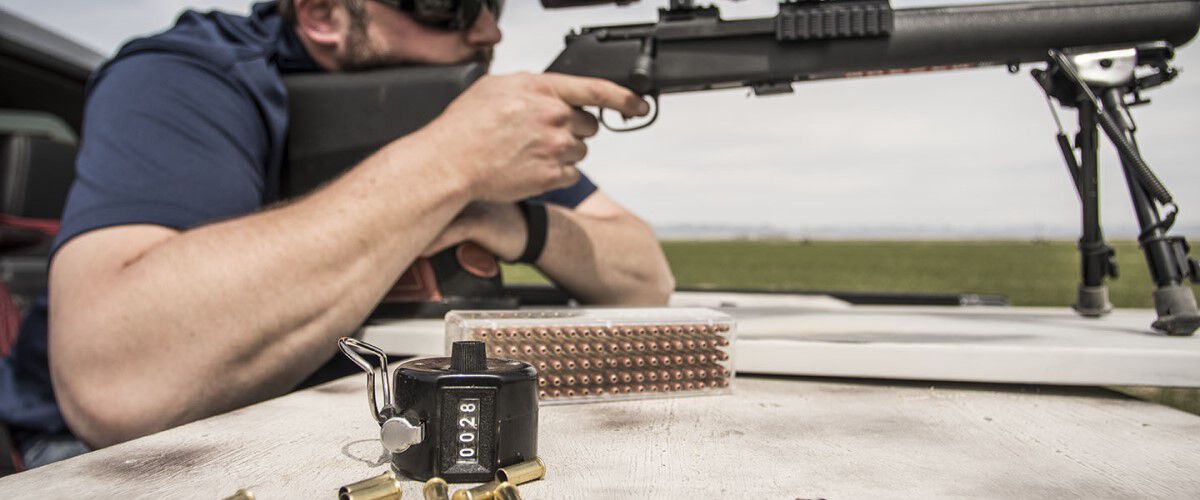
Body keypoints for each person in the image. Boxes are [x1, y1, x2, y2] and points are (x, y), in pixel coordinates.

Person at [0, 0, 674, 468]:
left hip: (343, 413)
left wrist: (499, 215)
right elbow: (116, 387)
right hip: (102, 458)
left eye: (494, 3)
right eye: (449, 5)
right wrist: (447, 164)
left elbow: (646, 276)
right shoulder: (185, 77)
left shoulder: (447, 106)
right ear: (323, 15)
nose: (489, 30)